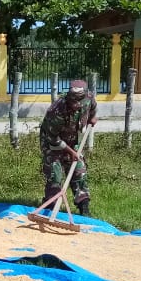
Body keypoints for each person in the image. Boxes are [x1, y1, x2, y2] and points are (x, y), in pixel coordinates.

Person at [38, 79, 98, 216]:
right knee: (55, 174)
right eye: (73, 103)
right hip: (51, 143)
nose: (76, 106)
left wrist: (92, 118)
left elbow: (93, 108)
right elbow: (53, 138)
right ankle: (50, 207)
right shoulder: (57, 110)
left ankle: (84, 209)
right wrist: (71, 152)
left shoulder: (88, 98)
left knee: (79, 171)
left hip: (72, 140)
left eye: (78, 103)